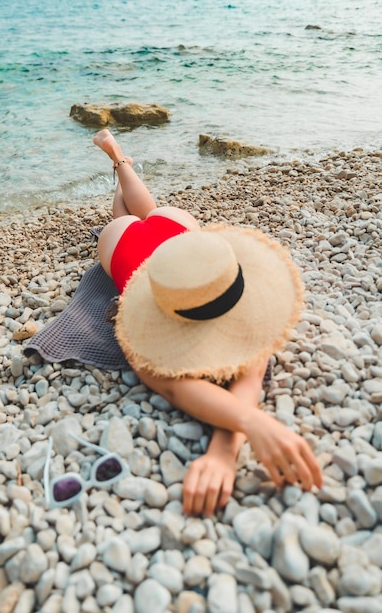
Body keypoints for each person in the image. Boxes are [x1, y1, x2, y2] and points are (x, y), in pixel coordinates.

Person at [93, 129, 323, 517]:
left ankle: (120, 162)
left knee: (129, 216)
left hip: (162, 247)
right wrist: (247, 427)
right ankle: (119, 159)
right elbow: (180, 387)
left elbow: (239, 376)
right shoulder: (158, 338)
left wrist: (225, 448)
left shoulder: (230, 300)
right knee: (132, 217)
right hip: (163, 241)